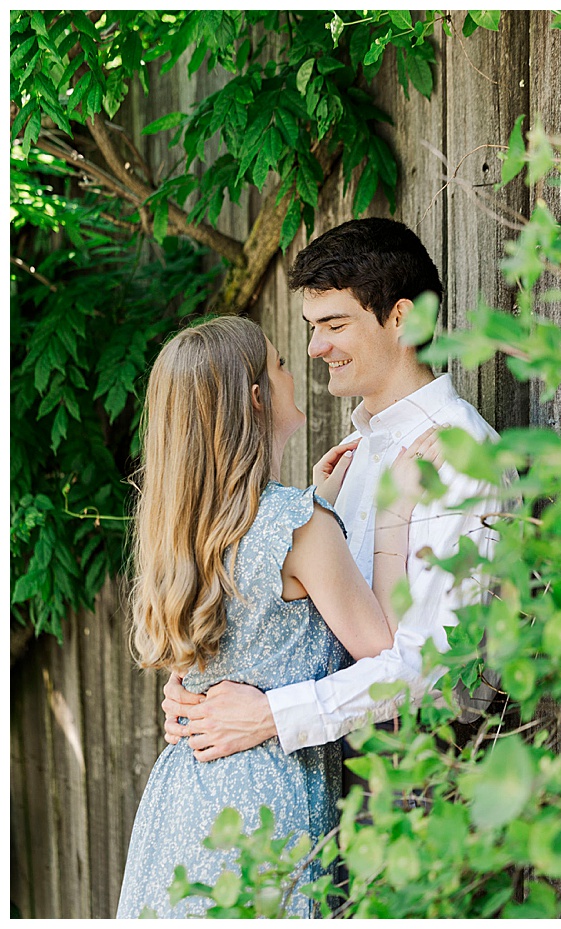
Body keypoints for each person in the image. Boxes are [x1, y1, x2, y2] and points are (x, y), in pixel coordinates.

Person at [116, 316, 433, 917]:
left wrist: (320, 508)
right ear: (258, 397)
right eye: (282, 362)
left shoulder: (182, 527)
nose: (299, 368)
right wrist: (394, 511)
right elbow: (384, 648)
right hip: (265, 808)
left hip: (182, 804)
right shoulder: (300, 525)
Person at [160, 217, 500, 763]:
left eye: (334, 324)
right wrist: (201, 687)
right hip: (328, 769)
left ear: (401, 319)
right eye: (311, 326)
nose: (315, 347)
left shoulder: (460, 455)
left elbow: (438, 670)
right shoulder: (355, 454)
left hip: (419, 775)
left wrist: (271, 715)